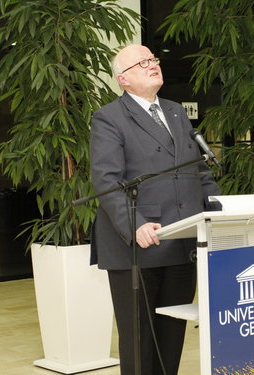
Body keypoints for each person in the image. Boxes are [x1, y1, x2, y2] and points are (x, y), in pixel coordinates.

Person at [89, 44, 221, 375]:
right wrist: (136, 224)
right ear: (123, 79)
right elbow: (107, 180)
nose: (153, 65)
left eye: (154, 59)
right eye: (143, 62)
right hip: (138, 244)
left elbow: (199, 171)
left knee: (172, 334)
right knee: (139, 339)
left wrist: (218, 211)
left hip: (182, 240)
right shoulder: (108, 118)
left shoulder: (176, 112)